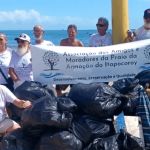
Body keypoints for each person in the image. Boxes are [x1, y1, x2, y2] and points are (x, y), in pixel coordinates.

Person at [56, 24, 84, 95]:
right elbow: (59, 55)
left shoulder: (79, 44)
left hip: (75, 71)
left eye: (72, 32)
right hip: (65, 70)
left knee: (75, 89)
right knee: (58, 88)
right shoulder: (62, 42)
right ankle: (61, 100)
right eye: (69, 32)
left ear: (76, 33)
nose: (70, 33)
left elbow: (84, 57)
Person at [32, 25, 56, 96]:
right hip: (38, 75)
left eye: (38, 31)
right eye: (35, 31)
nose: (36, 33)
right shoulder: (31, 45)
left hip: (50, 74)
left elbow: (56, 55)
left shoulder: (49, 44)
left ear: (43, 32)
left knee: (52, 95)